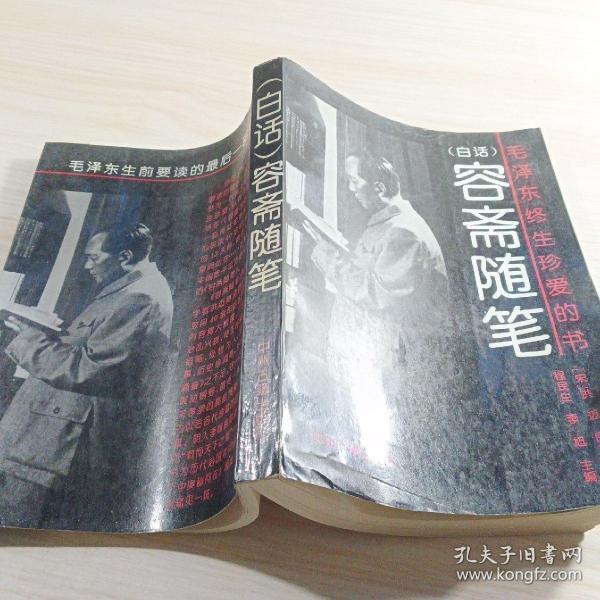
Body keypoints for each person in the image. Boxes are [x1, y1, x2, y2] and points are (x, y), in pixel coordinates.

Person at [0, 222, 173, 529]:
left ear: (124, 256)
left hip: (54, 447)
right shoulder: (128, 289)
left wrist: (27, 338)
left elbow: (86, 370)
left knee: (21, 527)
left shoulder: (139, 298)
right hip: (46, 439)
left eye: (93, 257)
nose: (87, 265)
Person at [303, 152, 448, 466]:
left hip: (392, 361)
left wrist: (325, 254)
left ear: (379, 187)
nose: (351, 189)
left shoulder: (404, 232)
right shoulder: (389, 224)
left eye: (355, 182)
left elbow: (376, 293)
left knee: (382, 447)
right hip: (375, 354)